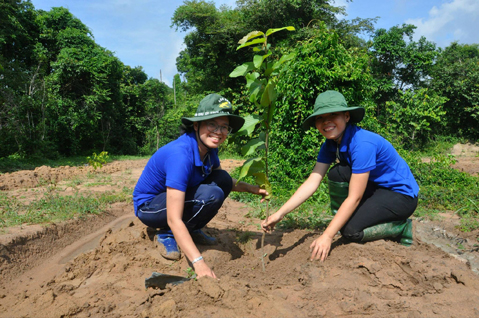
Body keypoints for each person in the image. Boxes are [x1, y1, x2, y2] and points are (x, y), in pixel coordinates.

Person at [261, 90, 419, 262]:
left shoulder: (362, 144)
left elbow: (355, 197)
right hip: (376, 188)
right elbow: (313, 180)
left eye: (333, 115)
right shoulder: (330, 144)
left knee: (351, 231)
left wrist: (327, 235)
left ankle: (401, 228)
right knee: (338, 172)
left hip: (401, 195)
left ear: (347, 117)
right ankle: (342, 220)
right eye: (320, 118)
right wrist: (280, 213)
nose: (326, 121)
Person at [133, 93, 268, 278]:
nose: (218, 132)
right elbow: (174, 217)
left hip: (172, 201)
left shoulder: (209, 149)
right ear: (196, 125)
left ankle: (191, 229)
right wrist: (200, 264)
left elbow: (224, 181)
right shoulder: (180, 155)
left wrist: (253, 189)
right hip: (150, 207)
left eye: (224, 127)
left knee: (222, 179)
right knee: (211, 195)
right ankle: (166, 234)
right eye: (212, 124)